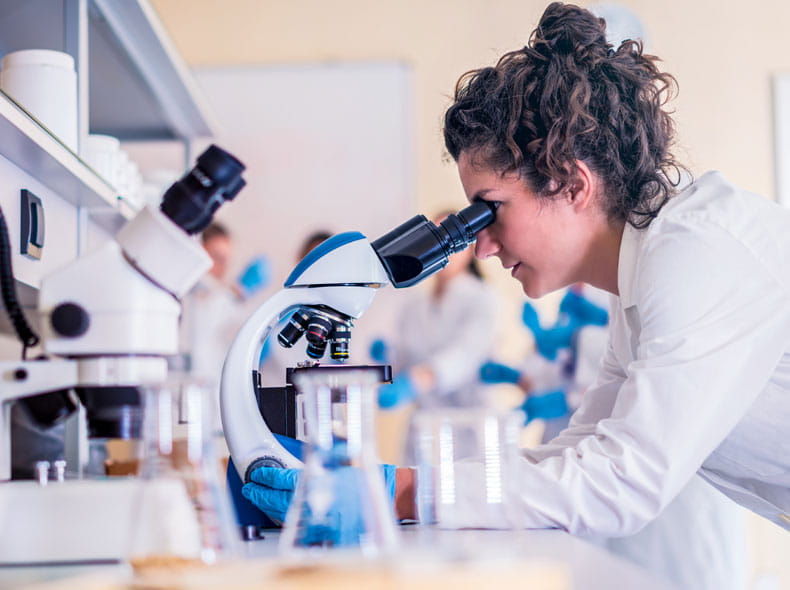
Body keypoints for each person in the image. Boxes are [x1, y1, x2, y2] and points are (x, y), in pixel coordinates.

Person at [242, 0, 790, 557]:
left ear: (572, 184)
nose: (480, 243)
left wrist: (400, 492)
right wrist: (398, 480)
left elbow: (621, 482)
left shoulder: (697, 252)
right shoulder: (643, 274)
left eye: (489, 209)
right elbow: (577, 451)